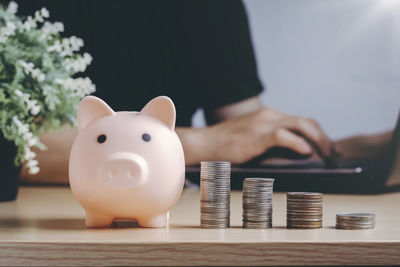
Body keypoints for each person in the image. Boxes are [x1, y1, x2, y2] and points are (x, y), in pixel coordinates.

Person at [9, 0, 390, 184]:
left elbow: (246, 135)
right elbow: (13, 151)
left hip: (168, 221)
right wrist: (202, 144)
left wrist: (361, 152)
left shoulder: (209, 8)